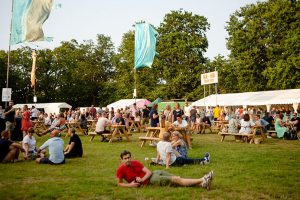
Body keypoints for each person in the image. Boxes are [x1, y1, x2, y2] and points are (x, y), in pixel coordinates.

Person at [116, 150, 213, 189]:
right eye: (125, 158)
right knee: (177, 180)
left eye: (129, 157)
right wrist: (130, 185)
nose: (128, 160)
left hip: (154, 173)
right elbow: (119, 183)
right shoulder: (120, 170)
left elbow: (149, 172)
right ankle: (203, 179)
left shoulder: (135, 162)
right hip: (151, 180)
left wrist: (142, 179)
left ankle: (202, 184)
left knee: (177, 178)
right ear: (121, 160)